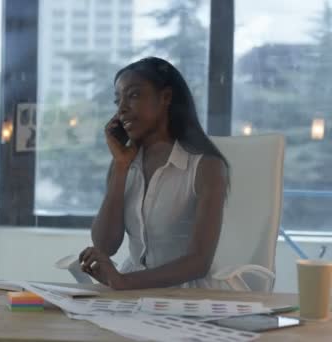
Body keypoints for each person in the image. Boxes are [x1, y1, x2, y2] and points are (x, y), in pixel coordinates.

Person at [79, 57, 229, 290]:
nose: (122, 109)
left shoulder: (206, 167)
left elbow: (199, 262)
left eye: (134, 95)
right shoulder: (124, 163)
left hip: (189, 298)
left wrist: (123, 281)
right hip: (132, 293)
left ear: (166, 97)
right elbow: (105, 245)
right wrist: (120, 167)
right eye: (118, 100)